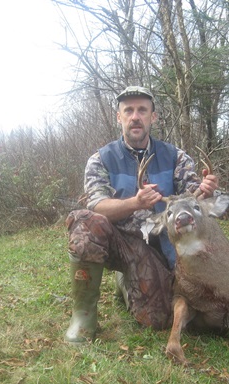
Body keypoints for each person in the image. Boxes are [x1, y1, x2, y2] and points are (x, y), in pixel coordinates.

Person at [64, 86, 219, 342]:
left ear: (152, 117)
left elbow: (193, 200)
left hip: (161, 246)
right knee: (86, 221)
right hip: (120, 241)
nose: (135, 117)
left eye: (142, 110)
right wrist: (135, 203)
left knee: (157, 319)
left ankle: (127, 282)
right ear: (119, 117)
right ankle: (83, 318)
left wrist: (206, 191)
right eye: (129, 111)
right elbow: (97, 205)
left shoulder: (175, 157)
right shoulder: (101, 160)